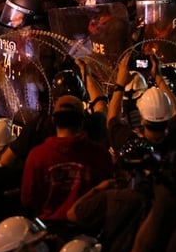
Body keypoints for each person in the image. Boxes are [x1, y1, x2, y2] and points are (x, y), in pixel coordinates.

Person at [21, 95, 112, 226]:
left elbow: (28, 200)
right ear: (82, 122)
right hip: (88, 228)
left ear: (53, 120)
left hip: (49, 228)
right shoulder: (100, 154)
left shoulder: (37, 155)